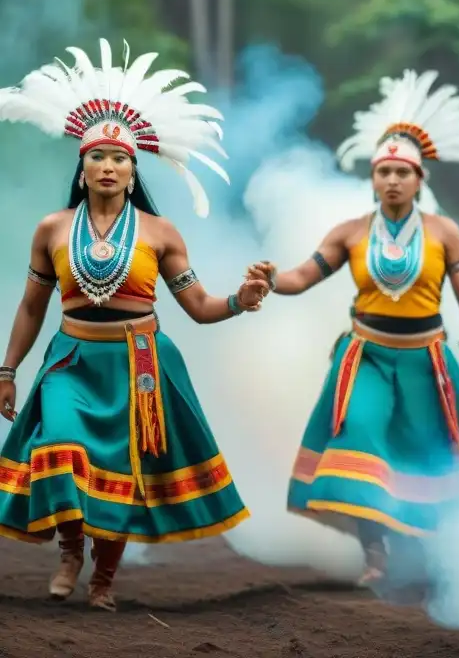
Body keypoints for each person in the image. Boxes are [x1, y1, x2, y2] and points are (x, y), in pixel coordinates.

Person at [0, 39, 268, 611]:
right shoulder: (52, 228)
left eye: (119, 159)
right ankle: (71, 549)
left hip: (137, 365)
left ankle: (103, 581)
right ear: (82, 165)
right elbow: (30, 308)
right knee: (62, 446)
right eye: (97, 156)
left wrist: (240, 300)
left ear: (132, 169)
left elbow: (197, 305)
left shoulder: (160, 232)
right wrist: (6, 370)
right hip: (70, 361)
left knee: (119, 471)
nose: (108, 166)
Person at [248, 69, 459, 589]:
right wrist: (273, 278)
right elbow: (303, 275)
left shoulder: (443, 232)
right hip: (365, 357)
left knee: (426, 454)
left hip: (426, 361)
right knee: (360, 439)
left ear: (420, 179)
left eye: (402, 172)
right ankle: (376, 555)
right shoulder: (349, 233)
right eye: (383, 170)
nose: (392, 180)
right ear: (372, 177)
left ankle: (426, 557)